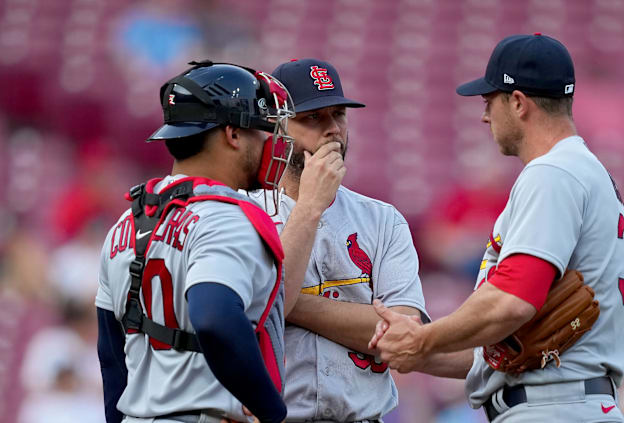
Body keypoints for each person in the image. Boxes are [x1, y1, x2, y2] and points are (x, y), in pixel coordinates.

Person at [369, 34, 624, 422]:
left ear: (518, 103)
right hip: (570, 400)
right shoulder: (585, 171)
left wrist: (424, 337)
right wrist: (414, 350)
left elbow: (512, 300)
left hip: (552, 408)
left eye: (489, 101)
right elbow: (499, 349)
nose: (484, 115)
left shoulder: (552, 173)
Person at [95, 61, 294, 423]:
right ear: (233, 134)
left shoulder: (124, 223)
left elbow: (111, 357)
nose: (271, 141)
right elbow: (216, 318)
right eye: (263, 130)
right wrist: (273, 411)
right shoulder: (225, 218)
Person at [253, 58, 430, 422]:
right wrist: (311, 206)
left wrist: (285, 302)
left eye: (339, 115)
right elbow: (245, 321)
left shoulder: (383, 220)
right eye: (313, 118)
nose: (333, 129)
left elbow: (404, 331)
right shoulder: (244, 214)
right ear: (276, 128)